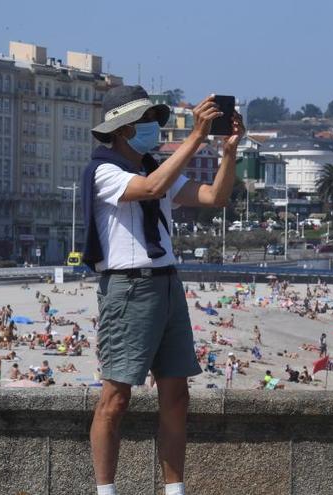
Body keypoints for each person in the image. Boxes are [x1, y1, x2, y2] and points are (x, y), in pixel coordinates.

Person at [83, 85, 243, 495]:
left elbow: (213, 197)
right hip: (129, 287)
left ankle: (175, 491)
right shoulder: (104, 171)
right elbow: (151, 189)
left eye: (156, 119)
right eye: (146, 121)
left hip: (166, 283)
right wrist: (196, 137)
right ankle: (105, 491)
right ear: (121, 129)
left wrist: (228, 153)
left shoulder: (155, 167)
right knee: (116, 398)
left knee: (177, 396)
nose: (154, 127)